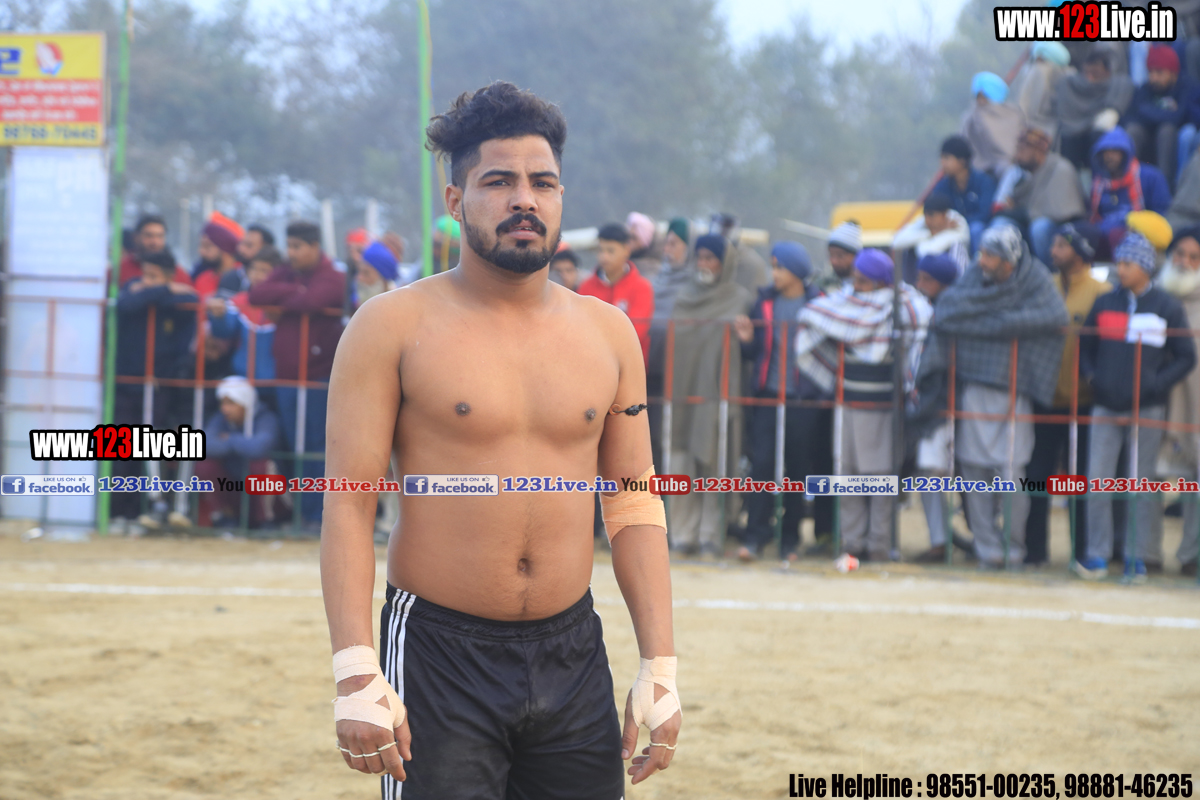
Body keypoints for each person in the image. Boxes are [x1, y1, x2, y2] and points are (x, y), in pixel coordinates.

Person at [321, 81, 679, 799]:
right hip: (438, 652)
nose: (525, 200)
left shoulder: (610, 334)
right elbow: (349, 504)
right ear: (456, 201)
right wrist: (355, 671)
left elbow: (634, 503)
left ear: (561, 196)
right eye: (499, 182)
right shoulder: (391, 325)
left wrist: (660, 666)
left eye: (542, 183)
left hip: (572, 650)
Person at [922, 223, 1068, 569]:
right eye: (982, 253)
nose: (982, 260)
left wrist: (990, 322)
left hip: (1017, 392)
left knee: (1013, 475)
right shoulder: (976, 275)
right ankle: (986, 548)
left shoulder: (1034, 279)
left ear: (1008, 261)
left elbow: (1054, 316)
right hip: (974, 388)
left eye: (989, 255)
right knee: (974, 472)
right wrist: (1005, 323)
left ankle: (1013, 548)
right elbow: (948, 311)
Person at [793, 248, 930, 561]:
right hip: (848, 403)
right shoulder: (845, 304)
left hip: (882, 408)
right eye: (855, 279)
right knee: (848, 477)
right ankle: (852, 543)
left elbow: (913, 345)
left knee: (880, 479)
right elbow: (815, 314)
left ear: (881, 282)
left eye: (864, 280)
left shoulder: (901, 308)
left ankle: (879, 545)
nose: (857, 285)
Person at [1077, 231, 1196, 581]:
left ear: (1144, 267)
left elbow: (1186, 356)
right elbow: (1085, 347)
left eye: (1128, 263)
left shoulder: (1166, 306)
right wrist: (1093, 378)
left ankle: (1136, 556)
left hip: (1147, 409)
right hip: (1105, 406)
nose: (1121, 268)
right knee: (1098, 482)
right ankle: (1097, 555)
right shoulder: (1104, 303)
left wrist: (1155, 384)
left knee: (1140, 484)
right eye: (1120, 262)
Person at [733, 240, 831, 561]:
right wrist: (747, 340)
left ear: (797, 272)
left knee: (797, 469)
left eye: (780, 268)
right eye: (773, 267)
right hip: (768, 396)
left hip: (803, 399)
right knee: (762, 465)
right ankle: (755, 536)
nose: (773, 273)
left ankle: (790, 539)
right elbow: (754, 352)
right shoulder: (763, 303)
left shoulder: (818, 304)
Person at [1024, 222, 1110, 567]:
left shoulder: (1102, 292)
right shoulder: (1043, 285)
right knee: (1036, 477)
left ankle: (1081, 553)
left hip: (1084, 402)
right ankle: (1034, 552)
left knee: (1079, 480)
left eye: (1061, 245)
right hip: (1044, 398)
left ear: (1081, 250)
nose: (1053, 250)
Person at [249, 220, 345, 528]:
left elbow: (313, 300)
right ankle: (303, 514)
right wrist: (294, 290)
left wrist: (286, 298)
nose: (291, 252)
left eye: (297, 247)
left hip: (317, 376)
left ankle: (318, 517)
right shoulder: (288, 274)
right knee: (294, 445)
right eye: (289, 246)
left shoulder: (333, 277)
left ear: (315, 247)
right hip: (286, 375)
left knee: (316, 446)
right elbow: (257, 294)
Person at [667, 233, 752, 558]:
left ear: (724, 263)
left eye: (710, 258)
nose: (703, 264)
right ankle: (682, 535)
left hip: (718, 396)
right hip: (683, 396)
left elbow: (749, 350)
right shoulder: (683, 297)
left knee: (716, 462)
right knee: (681, 464)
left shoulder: (739, 299)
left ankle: (710, 536)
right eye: (699, 258)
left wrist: (746, 340)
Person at [114, 251, 198, 530]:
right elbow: (126, 304)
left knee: (150, 445)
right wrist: (163, 290)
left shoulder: (169, 297)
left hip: (159, 382)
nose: (146, 281)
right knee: (122, 448)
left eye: (154, 277)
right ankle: (120, 511)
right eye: (145, 275)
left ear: (170, 276)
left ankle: (152, 506)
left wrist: (153, 293)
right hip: (128, 381)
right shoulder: (137, 289)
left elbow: (192, 300)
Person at [910, 253, 965, 563]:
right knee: (930, 473)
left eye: (926, 279)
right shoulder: (935, 308)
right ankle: (942, 539)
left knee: (934, 473)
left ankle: (943, 542)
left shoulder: (949, 310)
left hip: (946, 405)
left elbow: (937, 365)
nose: (919, 284)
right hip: (942, 404)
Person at [1157, 226, 1200, 577]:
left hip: (1196, 408)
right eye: (1179, 254)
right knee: (1150, 480)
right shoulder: (1155, 296)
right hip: (1157, 405)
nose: (1184, 262)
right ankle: (1144, 555)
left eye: (1193, 257)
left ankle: (1191, 555)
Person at [994, 127, 1087, 266]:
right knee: (1000, 224)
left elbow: (1062, 213)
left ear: (1038, 150)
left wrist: (1018, 211)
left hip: (1059, 229)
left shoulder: (1060, 168)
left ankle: (1049, 273)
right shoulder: (1020, 173)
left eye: (1023, 149)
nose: (1018, 154)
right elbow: (1005, 208)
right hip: (1028, 224)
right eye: (1018, 148)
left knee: (1039, 227)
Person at [195, 376, 280, 527]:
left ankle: (266, 521)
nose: (224, 409)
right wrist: (242, 444)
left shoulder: (266, 418)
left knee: (260, 465)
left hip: (271, 497)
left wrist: (230, 439)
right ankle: (225, 518)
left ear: (245, 402)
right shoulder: (221, 419)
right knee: (205, 465)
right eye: (222, 403)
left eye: (231, 403)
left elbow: (259, 448)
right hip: (236, 490)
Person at [647, 218, 693, 470]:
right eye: (666, 243)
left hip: (680, 376)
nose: (667, 250)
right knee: (650, 437)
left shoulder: (693, 286)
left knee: (671, 439)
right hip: (651, 371)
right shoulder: (656, 280)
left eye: (674, 244)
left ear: (689, 247)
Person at [578, 223, 655, 365]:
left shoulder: (642, 288)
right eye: (600, 250)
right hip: (591, 364)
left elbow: (637, 332)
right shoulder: (586, 287)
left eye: (610, 251)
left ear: (626, 250)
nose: (604, 257)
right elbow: (579, 328)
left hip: (630, 366)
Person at [207, 244, 281, 387]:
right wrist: (217, 316)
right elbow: (224, 332)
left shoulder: (286, 305)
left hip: (279, 381)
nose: (257, 275)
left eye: (264, 270)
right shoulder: (239, 301)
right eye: (254, 269)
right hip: (242, 378)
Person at [1089, 126, 1173, 247]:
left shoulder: (1151, 176)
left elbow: (1162, 214)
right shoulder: (1099, 183)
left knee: (1116, 234)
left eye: (1115, 151)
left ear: (1126, 154)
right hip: (1103, 236)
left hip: (1142, 238)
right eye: (1105, 152)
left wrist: (1137, 224)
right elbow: (1094, 217)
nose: (1109, 156)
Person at [1124, 44, 1193, 190]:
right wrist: (1167, 114)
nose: (1153, 77)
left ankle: (1164, 188)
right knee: (1133, 130)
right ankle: (1126, 183)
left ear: (1173, 73)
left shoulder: (1185, 88)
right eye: (1150, 72)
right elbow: (1134, 114)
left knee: (1166, 130)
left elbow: (1179, 117)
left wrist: (1150, 112)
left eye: (1159, 72)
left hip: (1174, 140)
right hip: (1148, 136)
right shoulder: (1145, 88)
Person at [1054, 47, 1134, 169]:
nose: (1090, 78)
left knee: (1099, 137)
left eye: (1095, 73)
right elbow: (1065, 117)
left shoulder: (1116, 86)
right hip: (1072, 133)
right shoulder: (1071, 85)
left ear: (1108, 72)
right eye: (1087, 73)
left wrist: (1111, 113)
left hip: (1097, 132)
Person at [931, 135, 996, 253]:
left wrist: (960, 223)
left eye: (946, 158)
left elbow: (985, 214)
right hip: (951, 229)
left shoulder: (984, 182)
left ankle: (979, 263)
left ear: (961, 161)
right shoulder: (943, 186)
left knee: (976, 229)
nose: (942, 162)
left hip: (978, 229)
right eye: (941, 158)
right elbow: (933, 207)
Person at [892, 192, 971, 281]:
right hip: (925, 278)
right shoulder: (924, 223)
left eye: (931, 215)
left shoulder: (957, 224)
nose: (927, 220)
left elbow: (925, 252)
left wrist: (935, 234)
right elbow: (896, 242)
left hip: (949, 281)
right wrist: (931, 233)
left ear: (944, 214)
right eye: (925, 215)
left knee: (956, 246)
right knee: (909, 248)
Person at [960, 71, 1025, 176]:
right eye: (978, 97)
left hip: (1009, 169)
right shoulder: (972, 117)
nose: (980, 101)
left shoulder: (1014, 115)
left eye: (983, 97)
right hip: (982, 171)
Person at [1009, 41, 1072, 137]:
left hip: (1028, 129)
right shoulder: (1068, 76)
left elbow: (1024, 104)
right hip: (1051, 133)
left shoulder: (1038, 70)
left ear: (1040, 56)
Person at [117, 213, 191, 286]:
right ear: (136, 237)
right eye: (149, 236)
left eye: (160, 236)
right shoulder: (120, 270)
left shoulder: (178, 274)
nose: (155, 242)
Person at [193, 218, 244, 299]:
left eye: (207, 246)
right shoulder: (202, 279)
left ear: (224, 248)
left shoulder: (244, 277)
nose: (201, 251)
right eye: (201, 246)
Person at [817, 220, 861, 294]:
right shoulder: (825, 286)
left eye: (840, 256)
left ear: (855, 256)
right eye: (831, 255)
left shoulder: (866, 287)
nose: (834, 261)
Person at [354, 241, 399, 307]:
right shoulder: (354, 303)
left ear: (384, 281)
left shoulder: (396, 308)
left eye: (366, 273)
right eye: (359, 271)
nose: (359, 278)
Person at [626, 211, 660, 279]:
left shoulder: (652, 272)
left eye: (634, 238)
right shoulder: (623, 265)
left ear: (646, 241)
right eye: (628, 237)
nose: (629, 242)